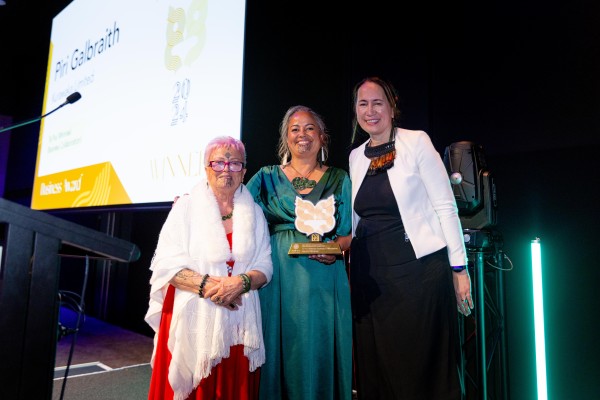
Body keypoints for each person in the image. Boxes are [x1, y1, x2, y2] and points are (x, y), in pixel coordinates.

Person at [348, 76, 474, 400]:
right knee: (379, 371)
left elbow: (446, 206)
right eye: (363, 104)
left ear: (392, 107)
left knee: (420, 372)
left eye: (378, 103)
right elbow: (358, 218)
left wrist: (459, 269)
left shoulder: (416, 142)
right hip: (371, 281)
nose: (370, 111)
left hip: (417, 276)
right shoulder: (356, 156)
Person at [145, 135, 274, 400]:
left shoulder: (256, 213)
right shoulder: (186, 207)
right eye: (219, 163)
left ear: (244, 172)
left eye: (235, 164)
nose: (226, 169)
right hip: (194, 317)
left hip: (238, 320)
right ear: (206, 168)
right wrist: (210, 287)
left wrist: (241, 283)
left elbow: (265, 264)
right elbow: (165, 263)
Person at [246, 105, 353, 400]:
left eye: (309, 128)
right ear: (286, 138)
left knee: (319, 345)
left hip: (324, 278)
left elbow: (347, 234)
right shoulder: (266, 177)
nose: (302, 135)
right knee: (283, 345)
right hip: (278, 278)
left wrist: (334, 249)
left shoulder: (340, 178)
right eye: (295, 129)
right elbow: (234, 206)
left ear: (321, 136)